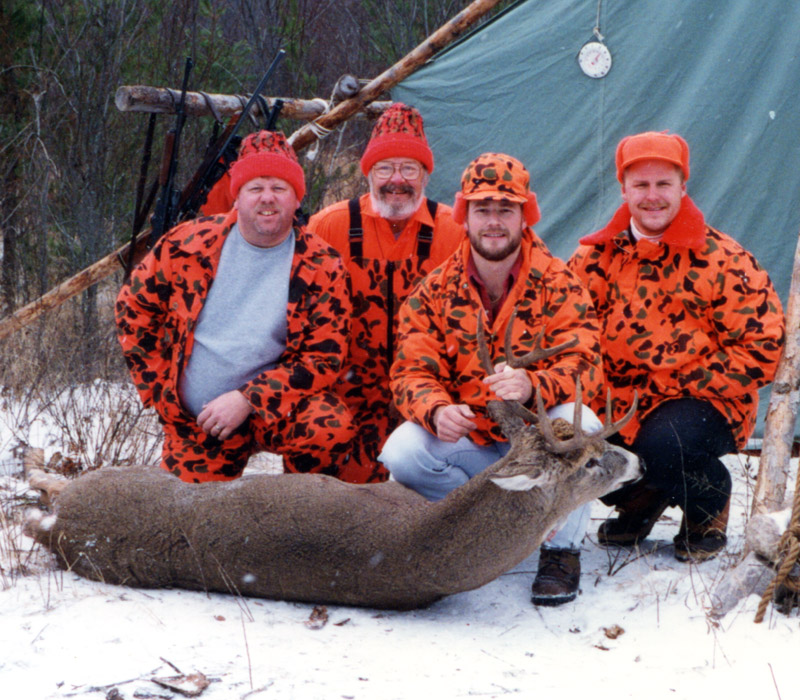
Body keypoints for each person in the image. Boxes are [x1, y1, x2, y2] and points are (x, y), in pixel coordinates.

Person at [379, 153, 606, 606]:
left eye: (506, 209)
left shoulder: (561, 283)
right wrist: (436, 409)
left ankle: (560, 551)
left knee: (582, 425)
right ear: (464, 216)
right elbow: (410, 369)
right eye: (482, 209)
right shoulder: (434, 290)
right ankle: (498, 522)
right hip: (476, 442)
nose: (494, 222)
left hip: (535, 437)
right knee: (400, 452)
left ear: (527, 215)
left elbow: (586, 365)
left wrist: (532, 386)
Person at [568, 130, 786, 561]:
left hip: (704, 401)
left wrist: (681, 381)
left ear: (682, 187)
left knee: (667, 444)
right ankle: (642, 499)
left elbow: (764, 348)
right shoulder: (591, 258)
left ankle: (709, 503)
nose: (653, 196)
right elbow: (566, 333)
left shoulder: (722, 258)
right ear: (624, 189)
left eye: (663, 184)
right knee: (577, 439)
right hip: (620, 400)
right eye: (641, 185)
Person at [116, 130, 358, 483]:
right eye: (255, 187)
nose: (267, 199)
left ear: (296, 198)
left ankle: (301, 522)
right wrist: (158, 388)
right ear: (238, 195)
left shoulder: (323, 265)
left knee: (328, 428)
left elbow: (323, 360)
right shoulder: (188, 244)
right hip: (200, 421)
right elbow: (132, 307)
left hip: (275, 410)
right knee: (190, 522)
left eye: (279, 188)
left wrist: (249, 399)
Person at [308, 103, 463, 482]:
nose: (398, 179)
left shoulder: (454, 231)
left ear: (425, 175)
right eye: (385, 168)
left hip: (426, 395)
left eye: (409, 168)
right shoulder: (329, 226)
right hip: (346, 395)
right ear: (368, 175)